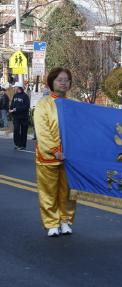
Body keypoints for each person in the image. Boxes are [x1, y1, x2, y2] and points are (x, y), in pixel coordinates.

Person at [34, 68, 76, 237]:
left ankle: (65, 220)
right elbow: (42, 131)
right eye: (60, 79)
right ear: (51, 82)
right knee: (49, 191)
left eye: (66, 80)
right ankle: (52, 222)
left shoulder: (74, 103)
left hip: (71, 158)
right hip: (48, 157)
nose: (63, 82)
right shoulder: (43, 104)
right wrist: (55, 149)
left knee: (69, 192)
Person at [9, 82, 30, 150]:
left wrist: (16, 109)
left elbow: (26, 106)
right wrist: (10, 109)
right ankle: (17, 144)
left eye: (15, 87)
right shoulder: (15, 95)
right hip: (16, 117)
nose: (14, 88)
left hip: (24, 117)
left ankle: (23, 145)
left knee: (24, 131)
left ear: (18, 87)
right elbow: (12, 104)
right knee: (16, 130)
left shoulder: (25, 96)